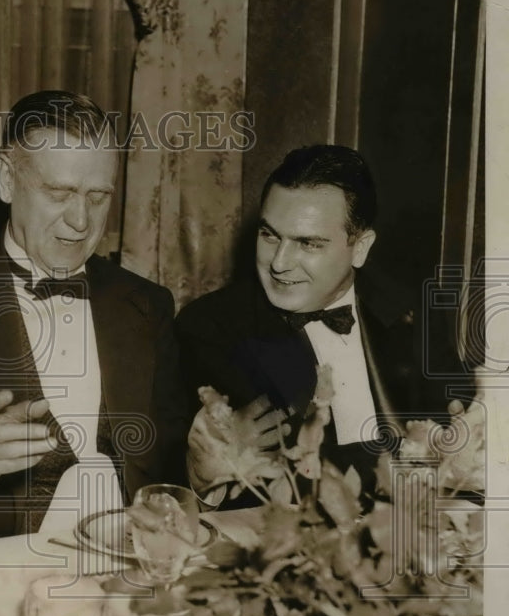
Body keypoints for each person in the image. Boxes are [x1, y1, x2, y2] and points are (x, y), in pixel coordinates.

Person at [0, 90, 186, 546]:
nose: (80, 221)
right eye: (58, 193)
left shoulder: (147, 305)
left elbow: (172, 466)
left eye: (98, 196)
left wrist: (206, 465)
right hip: (1, 574)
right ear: (7, 179)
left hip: (132, 567)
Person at [174, 144, 477, 507]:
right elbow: (205, 482)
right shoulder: (209, 327)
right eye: (270, 235)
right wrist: (203, 474)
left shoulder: (413, 308)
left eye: (308, 243)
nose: (279, 263)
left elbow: (462, 429)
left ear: (360, 247)